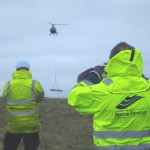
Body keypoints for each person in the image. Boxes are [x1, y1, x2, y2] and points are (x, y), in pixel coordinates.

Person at [68, 42, 150, 150]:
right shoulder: (147, 87)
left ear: (111, 61)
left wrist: (94, 76)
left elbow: (74, 97)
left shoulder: (104, 90)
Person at [2, 58, 44, 150]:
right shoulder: (35, 83)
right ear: (28, 69)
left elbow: (5, 98)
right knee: (31, 147)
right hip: (31, 126)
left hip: (14, 125)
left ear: (16, 69)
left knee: (9, 147)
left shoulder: (8, 84)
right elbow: (41, 98)